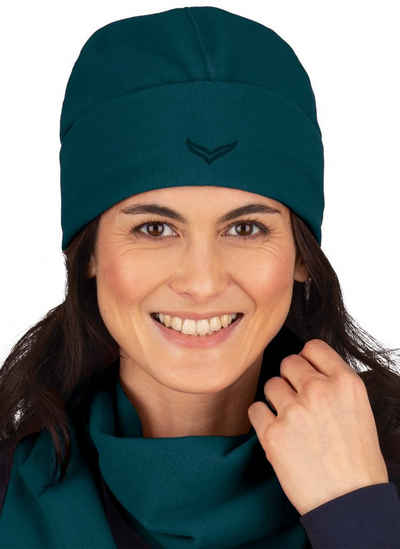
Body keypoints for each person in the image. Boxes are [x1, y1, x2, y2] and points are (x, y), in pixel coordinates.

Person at [1, 6, 400, 549]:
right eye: (155, 229)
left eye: (246, 228)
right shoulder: (7, 496)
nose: (202, 281)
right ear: (87, 252)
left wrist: (357, 512)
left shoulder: (382, 478)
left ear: (302, 255)